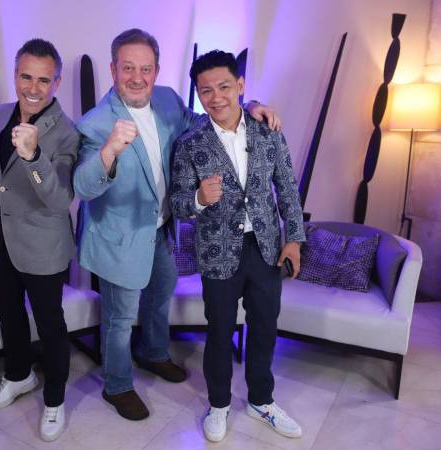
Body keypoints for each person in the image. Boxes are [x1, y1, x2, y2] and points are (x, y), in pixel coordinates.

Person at [73, 28, 280, 421]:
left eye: (146, 69)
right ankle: (117, 385)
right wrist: (109, 151)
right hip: (120, 237)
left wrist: (249, 104)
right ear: (113, 70)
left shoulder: (167, 99)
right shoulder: (95, 123)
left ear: (156, 70)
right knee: (119, 319)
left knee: (160, 293)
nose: (137, 77)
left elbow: (205, 120)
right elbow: (82, 187)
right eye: (128, 68)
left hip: (160, 230)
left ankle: (153, 353)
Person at [170, 50, 305, 442]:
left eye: (224, 87)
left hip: (265, 249)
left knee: (264, 328)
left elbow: (288, 188)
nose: (216, 97)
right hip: (217, 252)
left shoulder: (268, 130)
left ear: (241, 86)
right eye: (206, 90)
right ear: (198, 94)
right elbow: (178, 204)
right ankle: (218, 405)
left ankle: (262, 401)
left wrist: (294, 240)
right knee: (219, 332)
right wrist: (198, 198)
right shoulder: (189, 143)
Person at [0, 38, 78, 442]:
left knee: (50, 324)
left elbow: (60, 199)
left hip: (43, 245)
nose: (33, 88)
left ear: (56, 82)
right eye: (26, 77)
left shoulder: (67, 133)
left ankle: (55, 399)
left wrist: (32, 157)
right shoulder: (1, 113)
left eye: (43, 80)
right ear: (15, 75)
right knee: (7, 313)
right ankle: (18, 375)